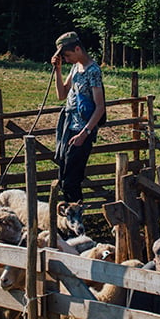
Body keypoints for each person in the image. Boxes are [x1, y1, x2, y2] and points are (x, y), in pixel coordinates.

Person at [50, 31, 105, 204]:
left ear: (77, 49)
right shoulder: (76, 68)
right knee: (65, 177)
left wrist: (85, 133)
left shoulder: (93, 71)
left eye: (67, 55)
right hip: (69, 128)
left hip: (81, 132)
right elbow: (62, 94)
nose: (66, 59)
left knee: (71, 181)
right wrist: (58, 70)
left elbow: (100, 107)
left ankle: (75, 220)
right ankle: (70, 219)